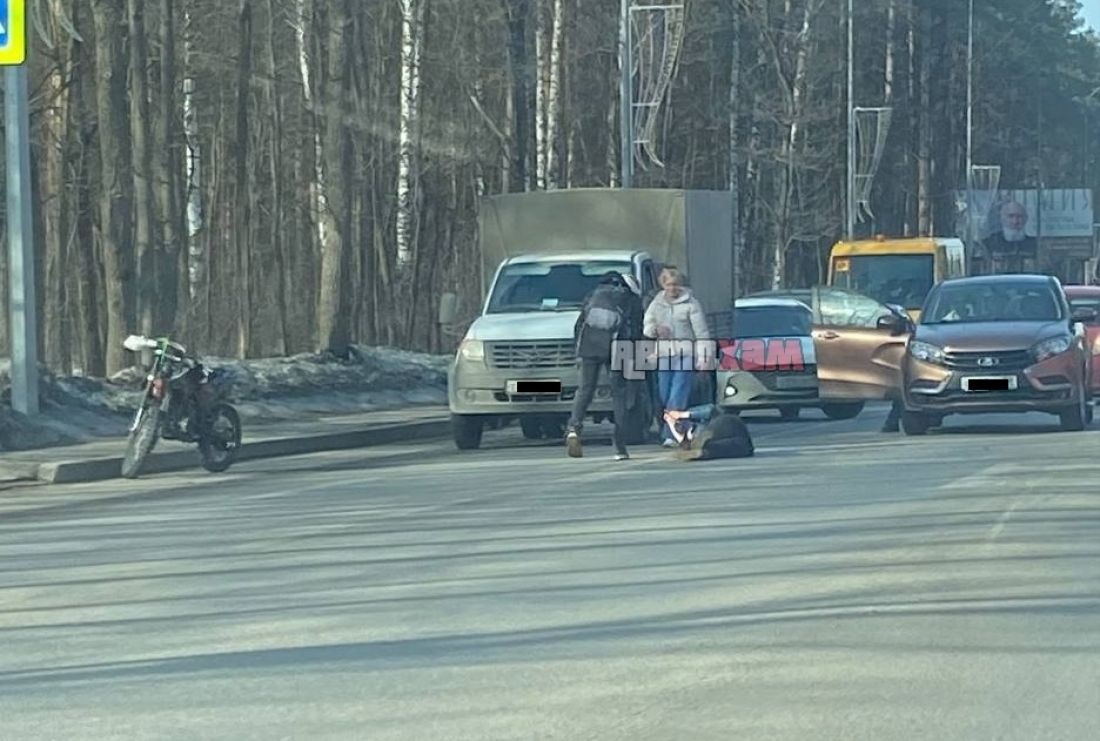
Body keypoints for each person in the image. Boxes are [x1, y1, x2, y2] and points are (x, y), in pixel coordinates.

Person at [566, 271, 644, 460]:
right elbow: (636, 329)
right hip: (619, 347)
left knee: (585, 390)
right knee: (620, 393)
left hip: (590, 346)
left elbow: (579, 325)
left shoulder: (594, 295)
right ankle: (619, 445)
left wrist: (578, 352)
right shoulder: (630, 299)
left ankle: (574, 428)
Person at [644, 267, 710, 447]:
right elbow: (647, 325)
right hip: (664, 355)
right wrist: (655, 330)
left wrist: (703, 358)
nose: (672, 288)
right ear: (662, 285)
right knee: (665, 395)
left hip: (686, 354)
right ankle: (688, 426)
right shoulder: (656, 304)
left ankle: (671, 435)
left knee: (677, 394)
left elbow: (702, 333)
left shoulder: (691, 304)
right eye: (668, 284)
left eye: (675, 284)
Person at [663, 405, 755, 461]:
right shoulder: (698, 437)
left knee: (739, 446)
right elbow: (684, 443)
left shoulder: (705, 423)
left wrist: (681, 415)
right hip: (738, 441)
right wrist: (671, 424)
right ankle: (704, 453)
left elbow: (711, 410)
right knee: (739, 447)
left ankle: (703, 452)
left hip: (731, 426)